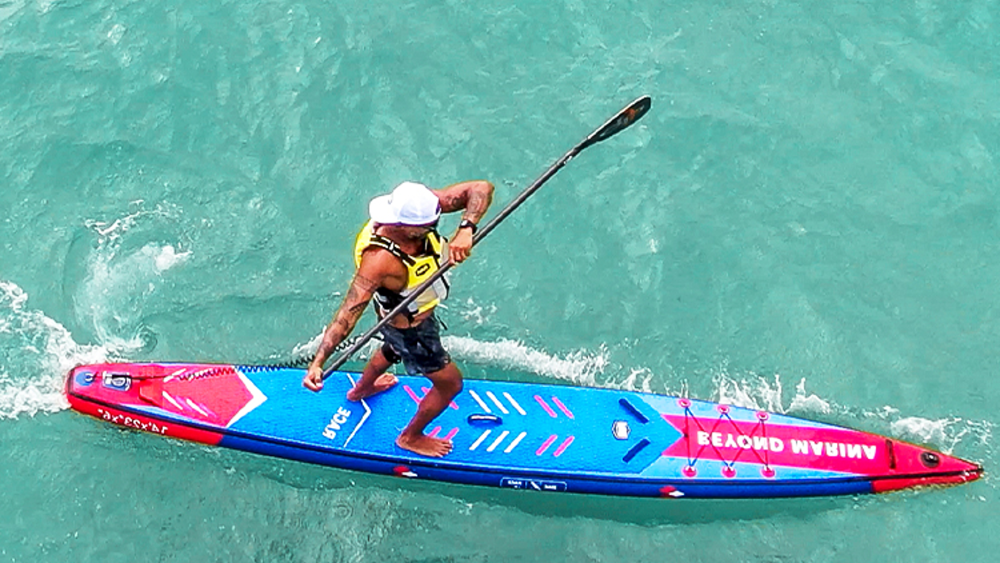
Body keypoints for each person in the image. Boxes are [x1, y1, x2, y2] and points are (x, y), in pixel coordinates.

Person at [303, 180, 494, 457]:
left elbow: (481, 188)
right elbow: (348, 313)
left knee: (391, 348)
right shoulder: (379, 259)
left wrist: (466, 229)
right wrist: (319, 361)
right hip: (411, 331)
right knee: (451, 383)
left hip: (397, 318)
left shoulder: (420, 211)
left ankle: (361, 390)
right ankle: (411, 437)